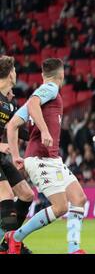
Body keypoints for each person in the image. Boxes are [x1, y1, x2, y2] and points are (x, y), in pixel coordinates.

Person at [5, 58, 88, 254]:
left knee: (79, 198)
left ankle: (74, 249)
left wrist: (16, 155)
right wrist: (44, 130)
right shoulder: (50, 88)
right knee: (60, 207)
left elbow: (12, 125)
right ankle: (15, 238)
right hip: (41, 158)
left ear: (43, 74)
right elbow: (34, 103)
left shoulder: (40, 95)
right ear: (62, 74)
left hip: (52, 158)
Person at [0, 56, 34, 254]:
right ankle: (13, 246)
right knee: (7, 195)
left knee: (27, 195)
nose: (16, 73)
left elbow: (24, 133)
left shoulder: (11, 103)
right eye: (14, 69)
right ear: (9, 73)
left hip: (2, 156)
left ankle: (9, 240)